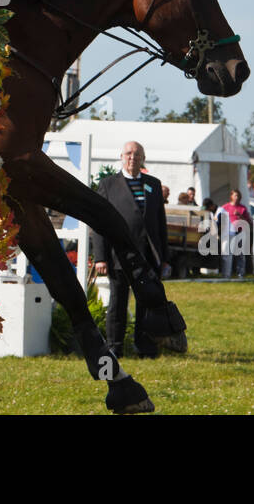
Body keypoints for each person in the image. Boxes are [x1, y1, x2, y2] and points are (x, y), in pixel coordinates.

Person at [91, 141, 167, 359]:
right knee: (117, 303)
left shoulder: (153, 184)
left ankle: (145, 346)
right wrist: (100, 257)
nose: (132, 157)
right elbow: (98, 223)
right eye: (128, 153)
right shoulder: (108, 185)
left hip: (147, 257)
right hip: (118, 256)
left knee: (147, 303)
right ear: (121, 157)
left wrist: (164, 257)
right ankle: (115, 346)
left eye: (137, 154)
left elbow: (160, 223)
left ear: (143, 158)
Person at [218, 189, 249, 279]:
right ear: (231, 196)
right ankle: (226, 274)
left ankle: (240, 274)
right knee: (227, 254)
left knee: (240, 255)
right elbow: (218, 218)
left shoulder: (242, 208)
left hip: (240, 232)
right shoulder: (225, 207)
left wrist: (241, 216)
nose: (237, 197)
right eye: (235, 195)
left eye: (238, 196)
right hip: (228, 233)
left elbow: (248, 221)